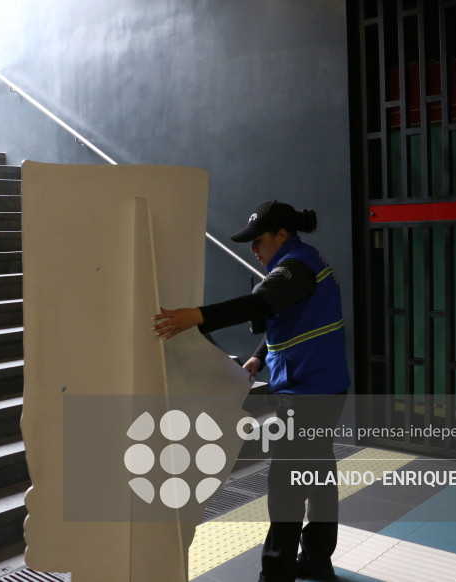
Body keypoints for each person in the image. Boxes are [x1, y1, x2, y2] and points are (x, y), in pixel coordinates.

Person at [151, 200, 350, 582]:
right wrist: (260, 355)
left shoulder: (295, 267)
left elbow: (260, 303)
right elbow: (289, 318)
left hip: (308, 395)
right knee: (318, 476)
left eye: (258, 242)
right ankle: (316, 560)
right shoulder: (304, 262)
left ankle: (276, 574)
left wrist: (196, 316)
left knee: (286, 487)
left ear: (282, 234)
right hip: (326, 387)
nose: (253, 251)